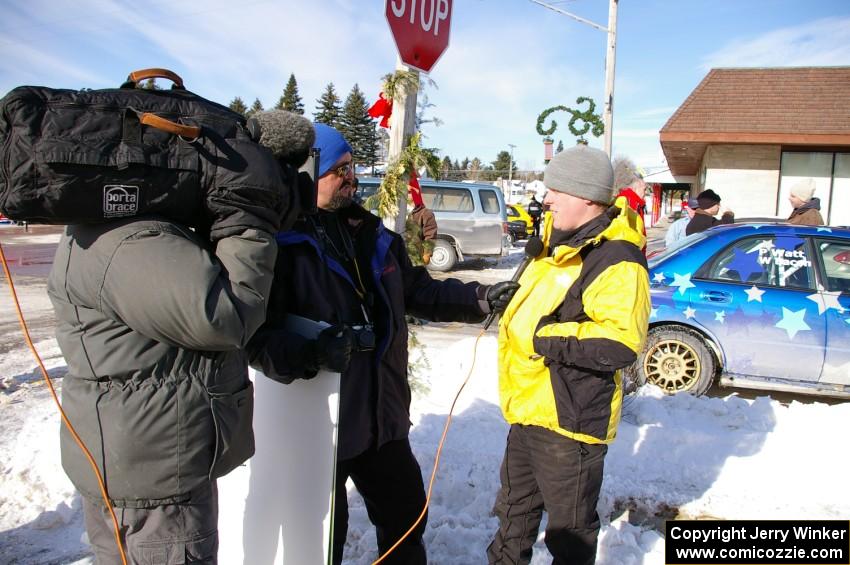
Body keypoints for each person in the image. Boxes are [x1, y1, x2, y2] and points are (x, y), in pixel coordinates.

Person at [246, 123, 519, 565]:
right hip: (319, 424)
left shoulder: (371, 236)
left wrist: (481, 297)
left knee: (406, 517)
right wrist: (311, 354)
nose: (352, 180)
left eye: (353, 168)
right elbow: (254, 338)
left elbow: (418, 291)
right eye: (341, 171)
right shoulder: (277, 244)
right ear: (306, 173)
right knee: (318, 542)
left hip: (381, 419)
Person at [47, 133, 296, 563]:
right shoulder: (134, 239)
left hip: (145, 461)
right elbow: (227, 318)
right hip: (156, 479)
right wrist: (249, 221)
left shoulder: (128, 228)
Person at [486, 145, 650, 565]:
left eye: (557, 189)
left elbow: (619, 342)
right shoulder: (552, 245)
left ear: (588, 198)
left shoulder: (616, 259)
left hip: (570, 422)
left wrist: (542, 334)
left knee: (569, 536)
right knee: (513, 518)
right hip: (527, 411)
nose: (548, 198)